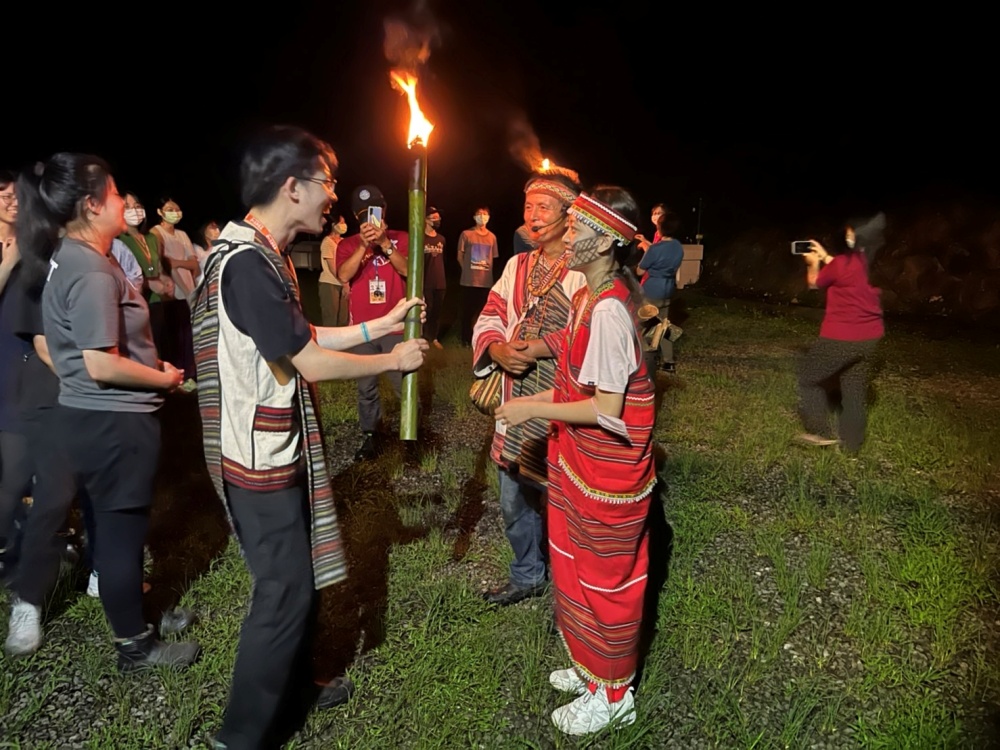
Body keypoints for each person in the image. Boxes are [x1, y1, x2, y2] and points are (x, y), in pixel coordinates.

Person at [191, 126, 427, 750]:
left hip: (270, 446)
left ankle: (293, 685)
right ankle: (239, 736)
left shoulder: (260, 252)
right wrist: (392, 359)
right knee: (284, 591)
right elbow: (309, 362)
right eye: (328, 182)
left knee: (295, 583)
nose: (334, 197)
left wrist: (379, 324)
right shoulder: (247, 265)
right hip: (258, 458)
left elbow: (303, 336)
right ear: (292, 187)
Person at [14, 153, 200, 670]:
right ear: (92, 205)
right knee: (120, 535)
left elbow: (93, 345)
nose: (123, 202)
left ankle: (138, 612)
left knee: (118, 528)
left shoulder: (70, 256)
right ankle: (133, 645)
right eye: (116, 194)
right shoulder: (93, 269)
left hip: (91, 416)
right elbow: (100, 362)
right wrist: (164, 378)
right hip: (113, 419)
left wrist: (149, 362)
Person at [495, 186, 655, 736]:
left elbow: (607, 408)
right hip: (582, 464)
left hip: (607, 473)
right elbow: (570, 347)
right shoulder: (593, 294)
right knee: (577, 567)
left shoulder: (608, 309)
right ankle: (592, 671)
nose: (566, 236)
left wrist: (530, 407)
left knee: (606, 580)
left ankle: (614, 694)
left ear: (605, 241)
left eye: (578, 229)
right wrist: (532, 350)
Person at [472, 171, 586, 606]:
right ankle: (528, 573)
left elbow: (591, 331)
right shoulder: (517, 266)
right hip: (514, 393)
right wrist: (496, 348)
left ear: (568, 215)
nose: (533, 216)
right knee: (513, 494)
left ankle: (574, 586)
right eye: (528, 207)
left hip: (561, 399)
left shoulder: (584, 268)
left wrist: (538, 348)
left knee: (563, 495)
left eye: (543, 207)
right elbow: (492, 312)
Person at [796, 213, 886, 453]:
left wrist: (813, 263)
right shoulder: (865, 261)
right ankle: (852, 446)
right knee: (854, 390)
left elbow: (815, 283)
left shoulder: (839, 265)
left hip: (842, 337)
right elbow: (844, 269)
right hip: (869, 338)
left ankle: (819, 431)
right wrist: (825, 255)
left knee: (808, 379)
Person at [336, 184, 411, 461]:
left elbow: (409, 270)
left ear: (384, 210)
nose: (369, 218)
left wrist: (385, 244)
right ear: (356, 217)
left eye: (374, 211)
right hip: (362, 330)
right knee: (366, 387)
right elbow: (344, 275)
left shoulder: (401, 238)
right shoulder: (347, 244)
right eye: (363, 214)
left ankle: (410, 435)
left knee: (403, 383)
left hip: (395, 327)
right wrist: (364, 245)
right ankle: (371, 435)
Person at [0, 169, 31, 583]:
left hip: (26, 358)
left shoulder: (33, 239)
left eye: (16, 193)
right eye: (2, 193)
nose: (12, 199)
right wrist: (10, 261)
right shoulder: (12, 249)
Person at [118, 193, 174, 356]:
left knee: (160, 347)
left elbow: (158, 268)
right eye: (127, 207)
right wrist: (149, 283)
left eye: (137, 206)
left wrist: (166, 279)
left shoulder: (151, 238)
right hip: (135, 303)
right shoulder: (119, 240)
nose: (134, 211)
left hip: (156, 302)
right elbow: (120, 275)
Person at [151, 197, 198, 384]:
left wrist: (177, 263)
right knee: (175, 340)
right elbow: (165, 264)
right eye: (169, 209)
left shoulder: (182, 234)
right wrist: (184, 289)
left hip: (189, 293)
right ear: (159, 212)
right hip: (172, 295)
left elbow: (194, 264)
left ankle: (190, 377)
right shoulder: (157, 232)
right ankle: (177, 379)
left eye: (177, 209)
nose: (174, 212)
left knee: (189, 338)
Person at [636, 207, 684, 373]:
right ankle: (669, 361)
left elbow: (640, 271)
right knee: (663, 325)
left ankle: (645, 359)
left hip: (652, 290)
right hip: (668, 290)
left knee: (641, 325)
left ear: (660, 227)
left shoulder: (655, 249)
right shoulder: (678, 247)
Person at [458, 206, 499, 346]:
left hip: (485, 282)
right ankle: (465, 339)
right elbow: (460, 255)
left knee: (483, 313)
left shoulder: (492, 237)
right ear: (474, 216)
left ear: (489, 217)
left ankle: (480, 338)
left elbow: (493, 258)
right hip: (469, 281)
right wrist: (466, 271)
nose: (482, 216)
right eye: (479, 214)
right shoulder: (466, 234)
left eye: (485, 214)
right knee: (467, 312)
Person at [318, 215, 349, 327]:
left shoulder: (344, 242)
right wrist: (344, 283)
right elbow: (332, 267)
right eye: (341, 222)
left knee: (344, 320)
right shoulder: (327, 242)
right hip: (330, 283)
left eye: (344, 222)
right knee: (331, 320)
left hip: (343, 283)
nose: (344, 225)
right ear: (333, 225)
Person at [423, 206, 446, 348]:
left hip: (440, 281)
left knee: (437, 310)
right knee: (427, 310)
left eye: (439, 217)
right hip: (426, 281)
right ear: (426, 219)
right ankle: (424, 336)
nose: (438, 220)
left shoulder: (441, 239)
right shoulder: (421, 238)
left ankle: (434, 337)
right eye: (435, 217)